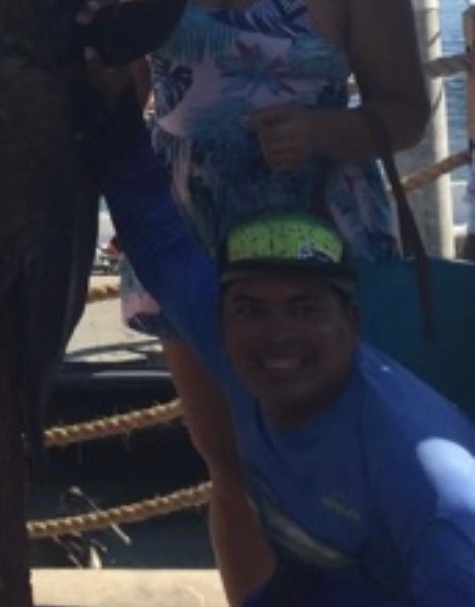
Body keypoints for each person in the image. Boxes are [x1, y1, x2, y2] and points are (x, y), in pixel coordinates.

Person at [120, 0, 431, 604]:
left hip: (316, 245)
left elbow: (406, 110)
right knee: (225, 462)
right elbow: (131, 91)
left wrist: (324, 128)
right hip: (187, 238)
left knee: (339, 460)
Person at [87, 66, 475, 605]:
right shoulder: (232, 345)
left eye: (304, 307)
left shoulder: (428, 486)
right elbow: (156, 236)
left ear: (354, 324)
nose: (278, 335)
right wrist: (108, 101)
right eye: (252, 307)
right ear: (221, 317)